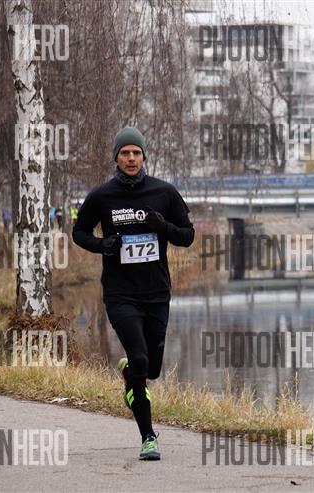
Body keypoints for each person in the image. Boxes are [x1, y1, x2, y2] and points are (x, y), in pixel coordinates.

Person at [72, 127, 194, 460]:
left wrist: (163, 227)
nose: (131, 158)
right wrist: (102, 245)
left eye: (136, 153)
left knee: (150, 369)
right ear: (116, 157)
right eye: (125, 153)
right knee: (139, 358)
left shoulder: (164, 192)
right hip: (120, 294)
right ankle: (148, 437)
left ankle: (131, 375)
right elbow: (79, 232)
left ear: (143, 157)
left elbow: (187, 236)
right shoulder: (102, 196)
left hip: (157, 293)